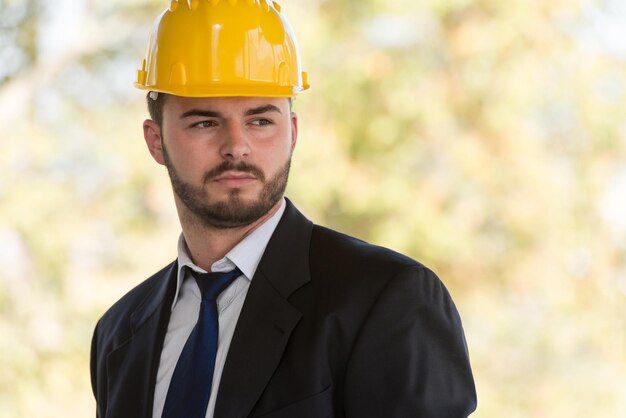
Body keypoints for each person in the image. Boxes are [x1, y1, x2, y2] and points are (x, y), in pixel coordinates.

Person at [90, 1, 477, 417]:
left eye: (260, 121)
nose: (236, 145)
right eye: (204, 122)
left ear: (291, 132)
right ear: (156, 141)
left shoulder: (385, 299)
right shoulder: (118, 333)